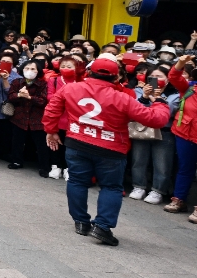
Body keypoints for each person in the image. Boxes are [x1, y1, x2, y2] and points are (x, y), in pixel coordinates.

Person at [44, 54, 169, 246]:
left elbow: (52, 109)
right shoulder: (123, 98)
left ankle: (81, 222)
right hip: (110, 149)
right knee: (111, 187)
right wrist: (160, 102)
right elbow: (156, 119)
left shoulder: (71, 88)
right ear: (116, 77)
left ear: (88, 72)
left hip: (77, 142)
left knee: (77, 181)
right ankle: (102, 226)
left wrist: (51, 131)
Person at [129, 64, 179, 205]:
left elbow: (167, 111)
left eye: (159, 76)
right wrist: (145, 95)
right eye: (152, 77)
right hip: (142, 130)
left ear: (168, 79)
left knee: (162, 164)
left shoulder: (175, 95)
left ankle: (158, 190)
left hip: (164, 131)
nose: (155, 79)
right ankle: (138, 186)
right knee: (138, 160)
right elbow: (135, 109)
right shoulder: (139, 91)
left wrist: (154, 98)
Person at [164, 55, 197, 222]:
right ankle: (179, 200)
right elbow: (174, 77)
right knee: (185, 168)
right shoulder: (189, 88)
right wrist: (181, 63)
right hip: (185, 133)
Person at [7, 60, 50, 175]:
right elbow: (10, 96)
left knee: (41, 144)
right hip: (19, 116)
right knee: (17, 141)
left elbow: (43, 101)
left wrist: (29, 97)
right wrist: (19, 95)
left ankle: (44, 167)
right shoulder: (17, 82)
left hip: (37, 118)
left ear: (38, 71)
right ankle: (16, 161)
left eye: (33, 69)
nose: (29, 71)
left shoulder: (43, 84)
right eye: (27, 68)